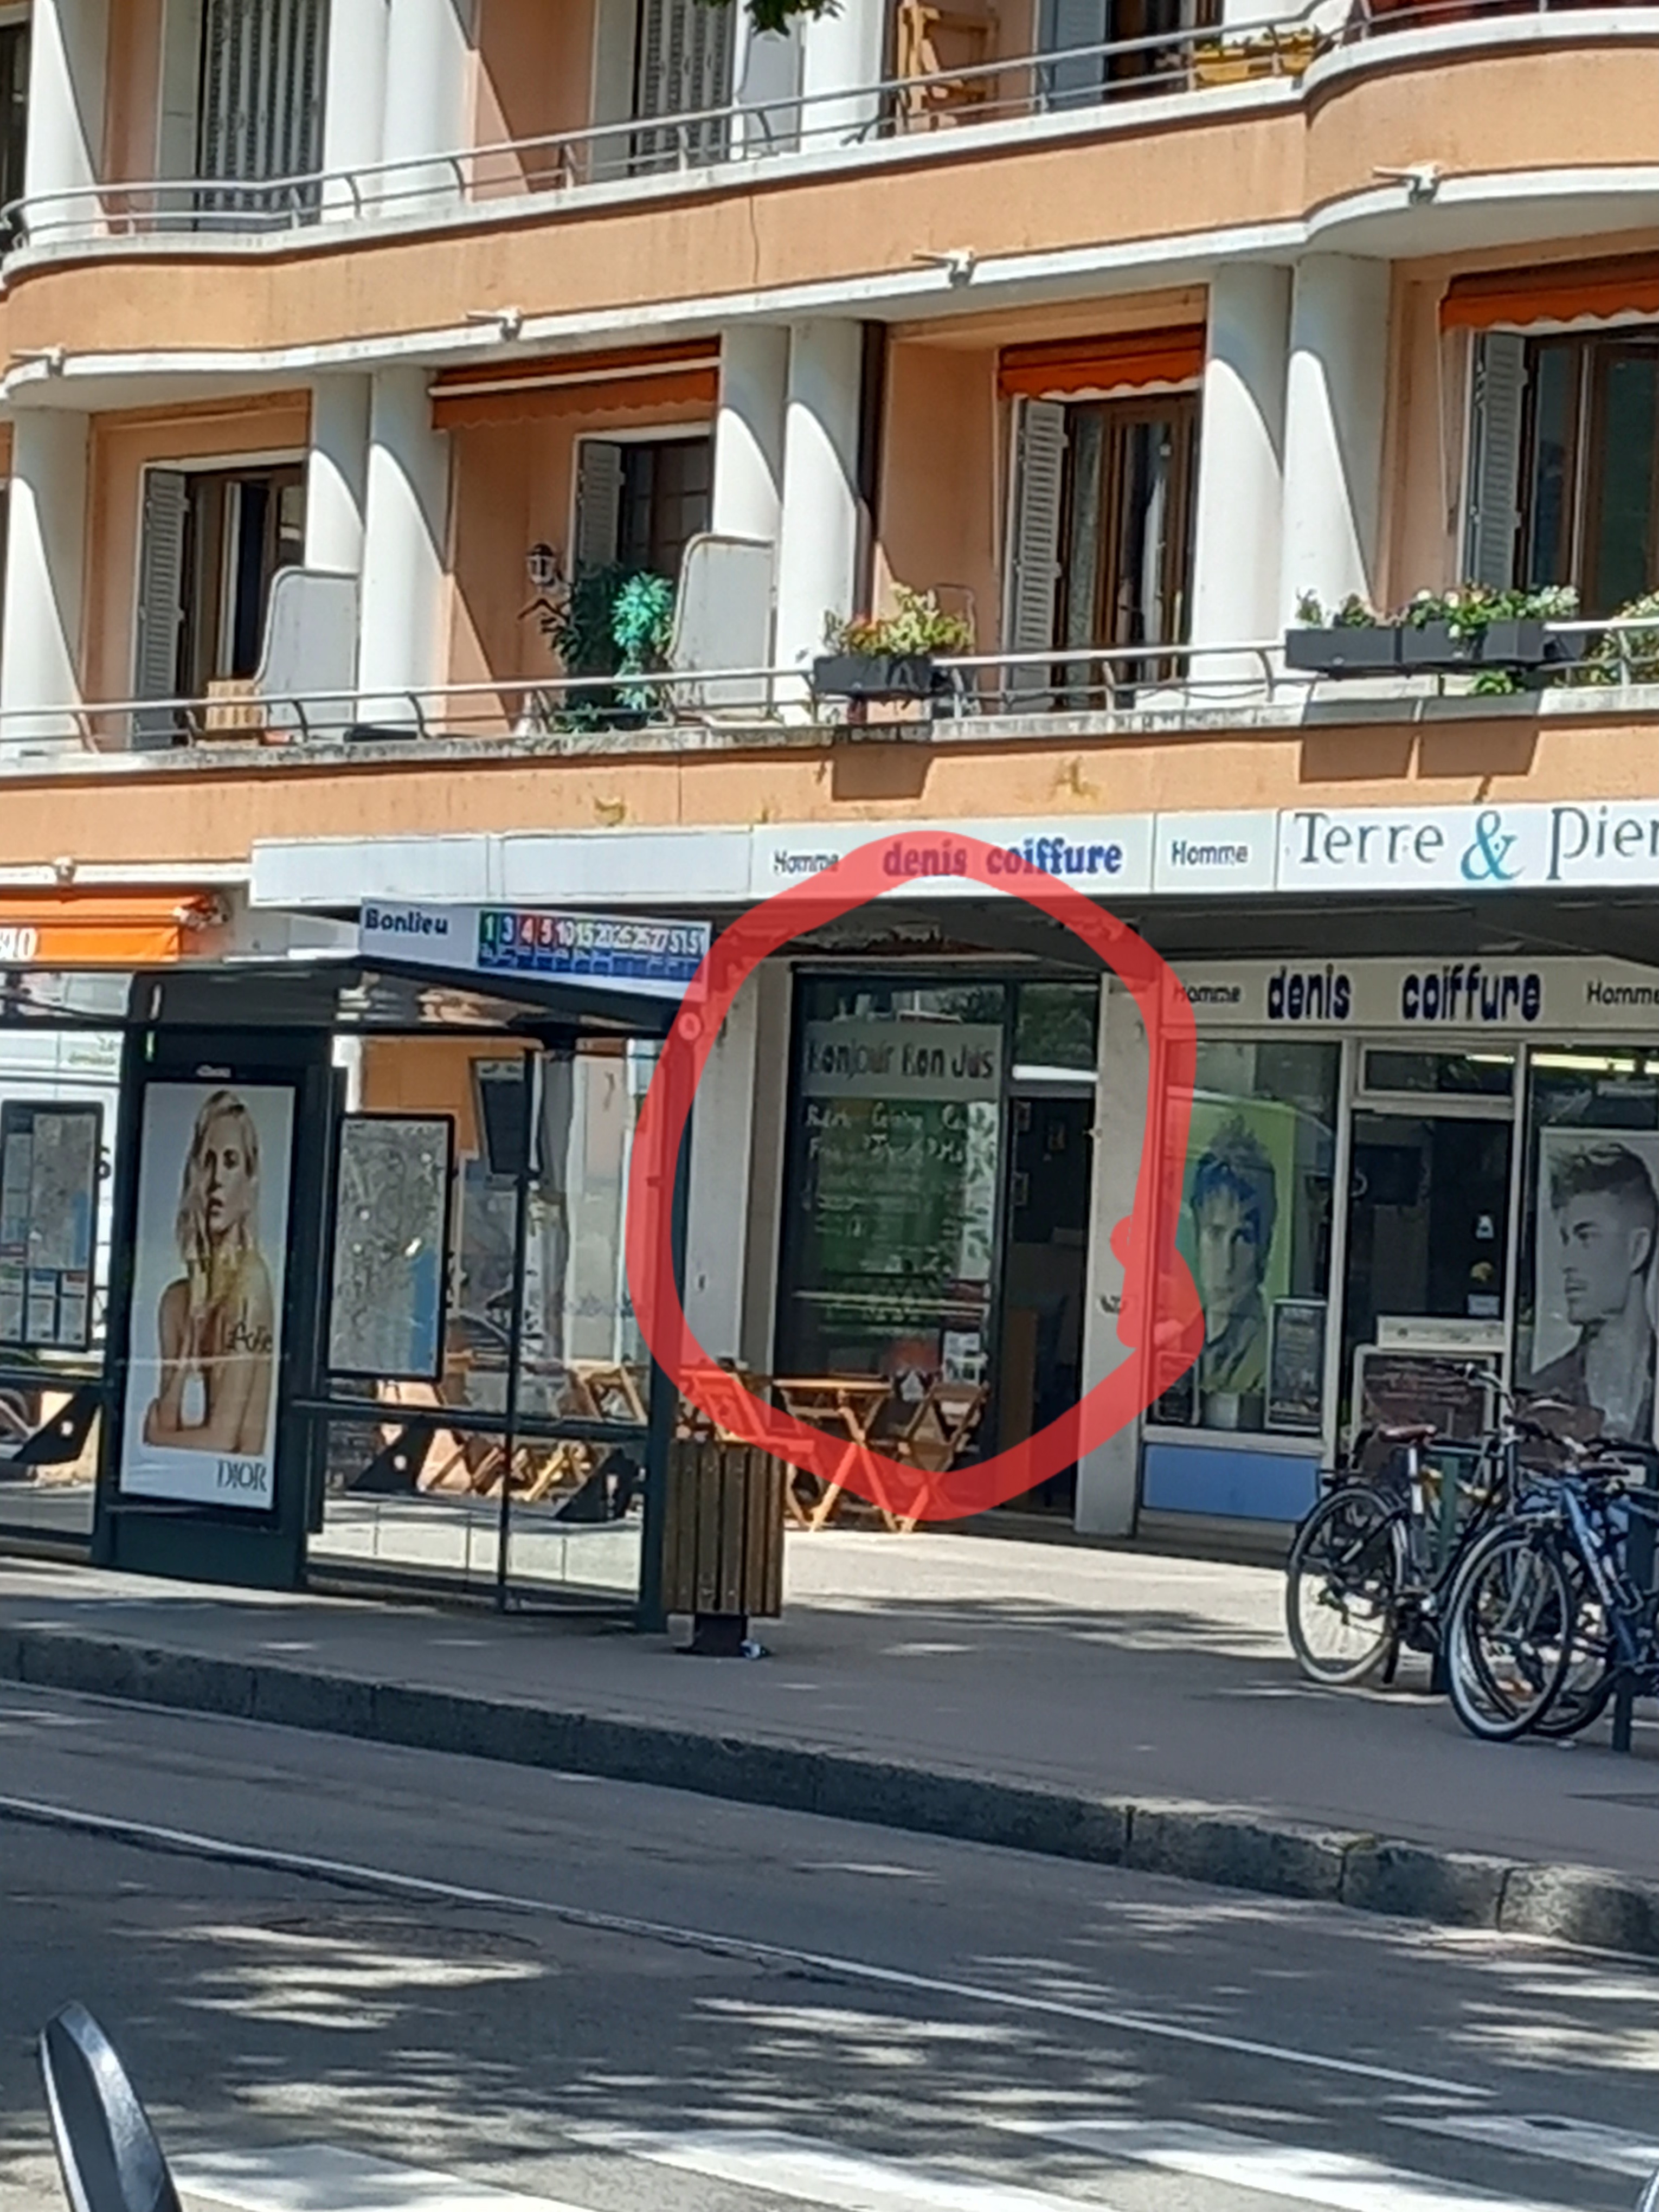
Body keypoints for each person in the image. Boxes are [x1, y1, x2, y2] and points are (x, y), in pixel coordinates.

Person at [142, 1090, 275, 1457]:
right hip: (179, 1480)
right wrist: (190, 1343)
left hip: (236, 1484)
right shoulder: (177, 1301)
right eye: (208, 1162)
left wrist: (158, 1439)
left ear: (249, 1181)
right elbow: (166, 1417)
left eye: (231, 1162)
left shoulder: (251, 1280)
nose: (216, 1180)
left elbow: (223, 1439)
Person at [1528, 1141, 1658, 1444]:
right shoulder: (1545, 1393)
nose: (1566, 1262)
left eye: (1586, 1237)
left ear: (1638, 1249)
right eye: (1566, 1239)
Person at [1188, 1116, 1277, 1411]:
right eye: (1214, 1234)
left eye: (1242, 1238)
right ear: (1197, 1236)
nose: (1226, 1261)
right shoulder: (1175, 1345)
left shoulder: (1275, 1361)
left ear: (1264, 1247)